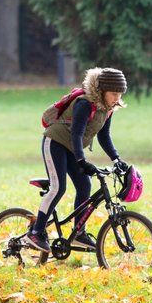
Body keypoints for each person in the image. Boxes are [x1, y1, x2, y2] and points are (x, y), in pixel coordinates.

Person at [25, 67, 128, 252]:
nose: (117, 98)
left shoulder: (107, 109)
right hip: (55, 143)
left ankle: (78, 233)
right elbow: (77, 133)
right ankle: (36, 232)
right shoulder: (85, 103)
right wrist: (81, 161)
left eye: (119, 94)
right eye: (113, 93)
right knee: (58, 187)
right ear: (102, 90)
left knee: (84, 186)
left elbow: (104, 137)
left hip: (72, 148)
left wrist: (116, 159)